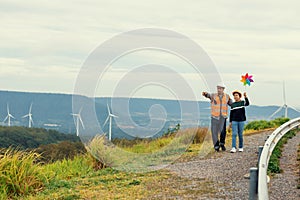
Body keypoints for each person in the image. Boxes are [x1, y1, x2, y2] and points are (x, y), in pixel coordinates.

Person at [202, 83, 232, 152]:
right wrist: (205, 94)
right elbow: (208, 95)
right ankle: (216, 146)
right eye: (218, 88)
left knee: (223, 131)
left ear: (223, 89)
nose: (219, 89)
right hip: (214, 116)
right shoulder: (213, 95)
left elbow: (231, 104)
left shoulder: (227, 96)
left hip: (223, 117)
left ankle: (222, 143)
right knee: (214, 132)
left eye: (220, 88)